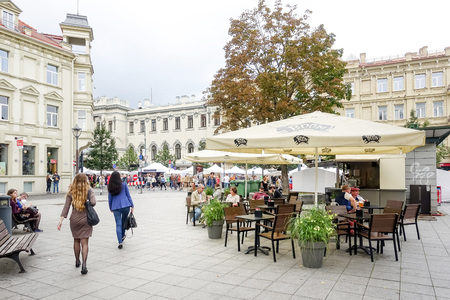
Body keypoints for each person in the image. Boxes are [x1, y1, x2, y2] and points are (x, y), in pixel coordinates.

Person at [57, 173, 96, 275]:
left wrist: (61, 220)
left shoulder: (71, 192)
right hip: (86, 219)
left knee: (76, 241)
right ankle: (84, 264)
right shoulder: (89, 191)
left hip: (74, 219)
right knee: (85, 243)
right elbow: (93, 202)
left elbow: (66, 207)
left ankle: (77, 261)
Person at [107, 171, 135, 249]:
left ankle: (120, 241)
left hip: (115, 207)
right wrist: (132, 205)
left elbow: (110, 198)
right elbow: (128, 195)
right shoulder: (124, 184)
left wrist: (110, 207)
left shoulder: (110, 186)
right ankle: (123, 236)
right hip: (126, 205)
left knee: (118, 224)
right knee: (123, 222)